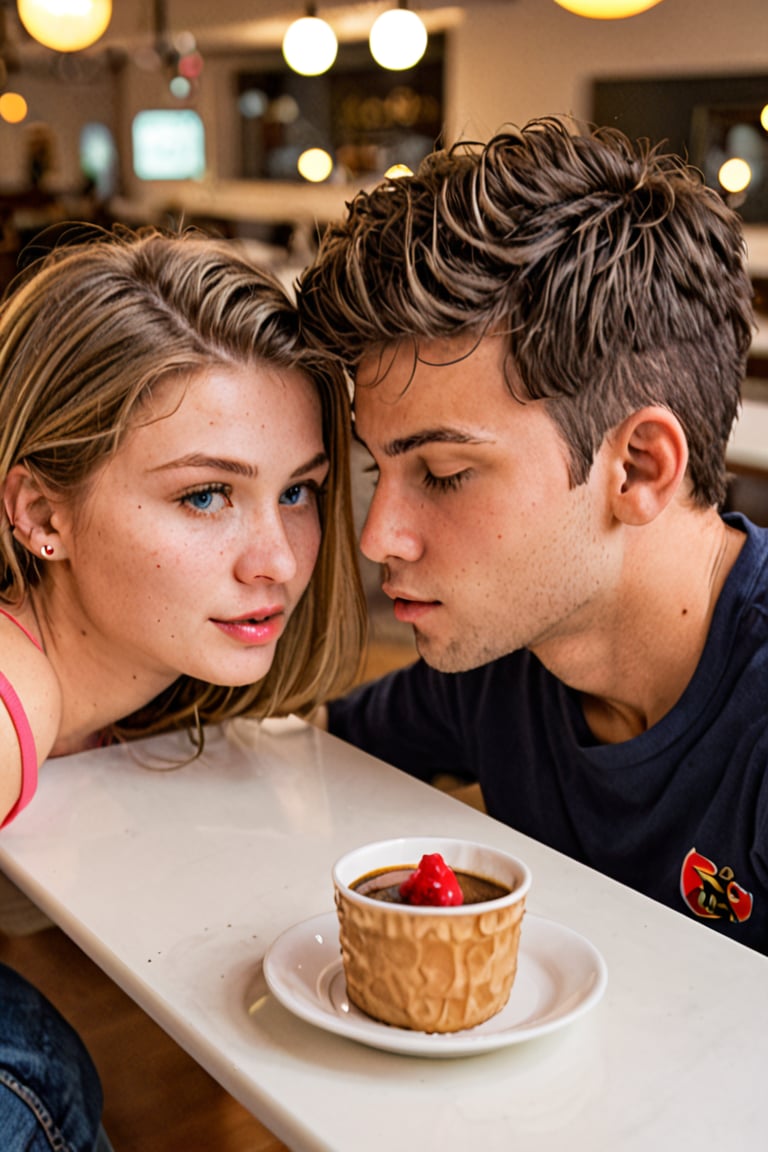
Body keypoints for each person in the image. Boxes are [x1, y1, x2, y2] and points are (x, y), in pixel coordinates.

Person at [297, 116, 768, 955]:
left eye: (443, 472)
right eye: (379, 471)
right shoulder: (506, 661)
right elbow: (313, 755)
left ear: (638, 470)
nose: (378, 539)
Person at [0, 224, 366, 1149]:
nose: (278, 560)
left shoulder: (129, 692)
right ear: (43, 513)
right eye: (206, 495)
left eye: (299, 491)